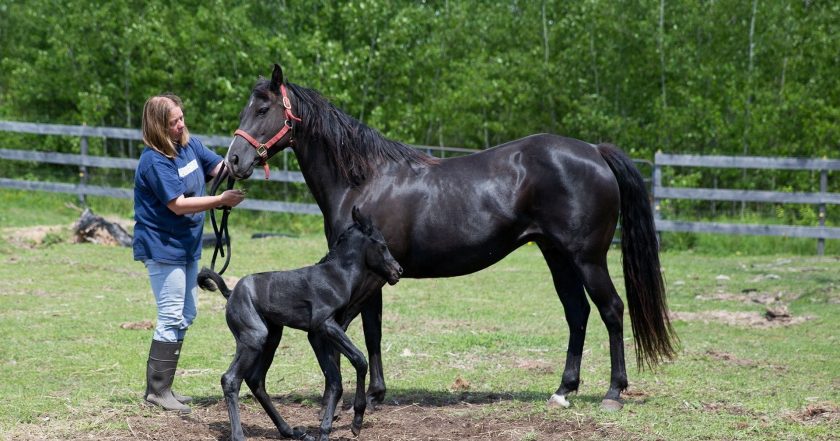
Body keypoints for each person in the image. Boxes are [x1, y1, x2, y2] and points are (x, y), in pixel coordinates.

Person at [133, 93, 245, 413]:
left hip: (186, 245)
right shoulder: (153, 161)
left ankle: (165, 387)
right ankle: (157, 390)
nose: (181, 124)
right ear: (158, 126)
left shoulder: (188, 146)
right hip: (162, 246)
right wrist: (220, 201)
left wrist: (249, 156)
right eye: (174, 122)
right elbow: (178, 205)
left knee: (187, 314)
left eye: (181, 118)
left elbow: (219, 168)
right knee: (170, 315)